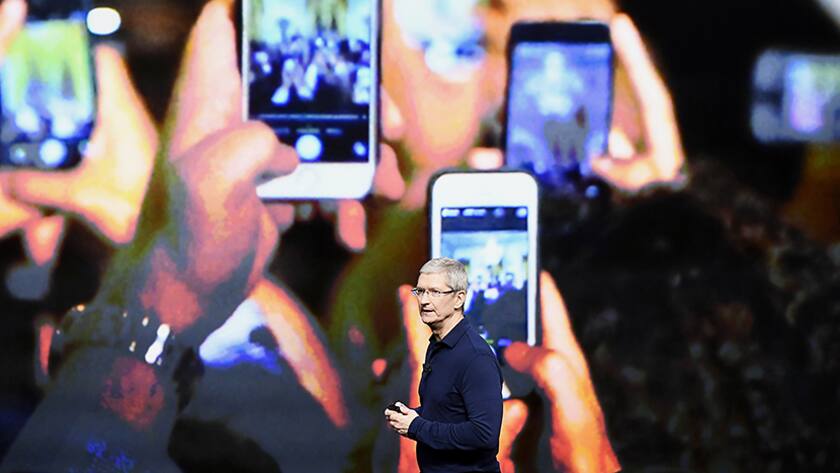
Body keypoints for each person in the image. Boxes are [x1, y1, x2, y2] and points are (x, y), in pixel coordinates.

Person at [385, 257, 503, 473]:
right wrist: (411, 415)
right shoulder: (437, 346)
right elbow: (448, 410)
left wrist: (417, 426)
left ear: (459, 299)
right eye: (420, 291)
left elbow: (483, 434)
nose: (424, 301)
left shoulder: (476, 358)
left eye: (435, 292)